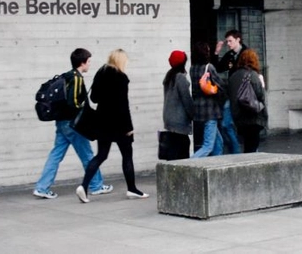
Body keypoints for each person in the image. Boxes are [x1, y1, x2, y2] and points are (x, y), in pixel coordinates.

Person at [32, 48, 113, 199]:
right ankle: (96, 185)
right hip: (73, 124)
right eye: (89, 61)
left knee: (56, 155)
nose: (90, 64)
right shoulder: (76, 78)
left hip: (62, 123)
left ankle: (42, 188)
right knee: (87, 155)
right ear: (82, 63)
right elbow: (74, 102)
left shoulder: (66, 76)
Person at [76, 49, 148, 202]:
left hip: (102, 122)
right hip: (120, 124)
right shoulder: (122, 78)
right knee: (127, 155)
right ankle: (132, 189)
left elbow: (94, 98)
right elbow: (124, 105)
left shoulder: (101, 72)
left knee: (101, 155)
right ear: (121, 61)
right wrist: (129, 127)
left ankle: (83, 186)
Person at [226, 49, 268, 153]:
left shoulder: (233, 76)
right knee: (252, 147)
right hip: (252, 116)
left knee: (247, 145)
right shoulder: (253, 75)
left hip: (239, 117)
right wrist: (262, 84)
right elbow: (261, 96)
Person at [190, 42, 224, 158]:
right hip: (210, 110)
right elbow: (220, 85)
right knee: (208, 146)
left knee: (218, 143)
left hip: (198, 108)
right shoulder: (209, 67)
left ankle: (216, 167)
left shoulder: (192, 68)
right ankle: (187, 164)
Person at [212, 29, 244, 154]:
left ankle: (237, 151)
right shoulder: (230, 55)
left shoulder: (246, 53)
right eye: (227, 41)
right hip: (231, 94)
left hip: (242, 95)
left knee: (235, 125)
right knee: (226, 124)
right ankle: (235, 150)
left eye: (230, 41)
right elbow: (218, 68)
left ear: (238, 40)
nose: (229, 44)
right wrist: (216, 52)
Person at [161, 50, 193, 160]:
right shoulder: (180, 78)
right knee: (182, 149)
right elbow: (186, 99)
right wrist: (193, 114)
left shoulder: (169, 76)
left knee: (173, 150)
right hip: (179, 120)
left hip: (169, 119)